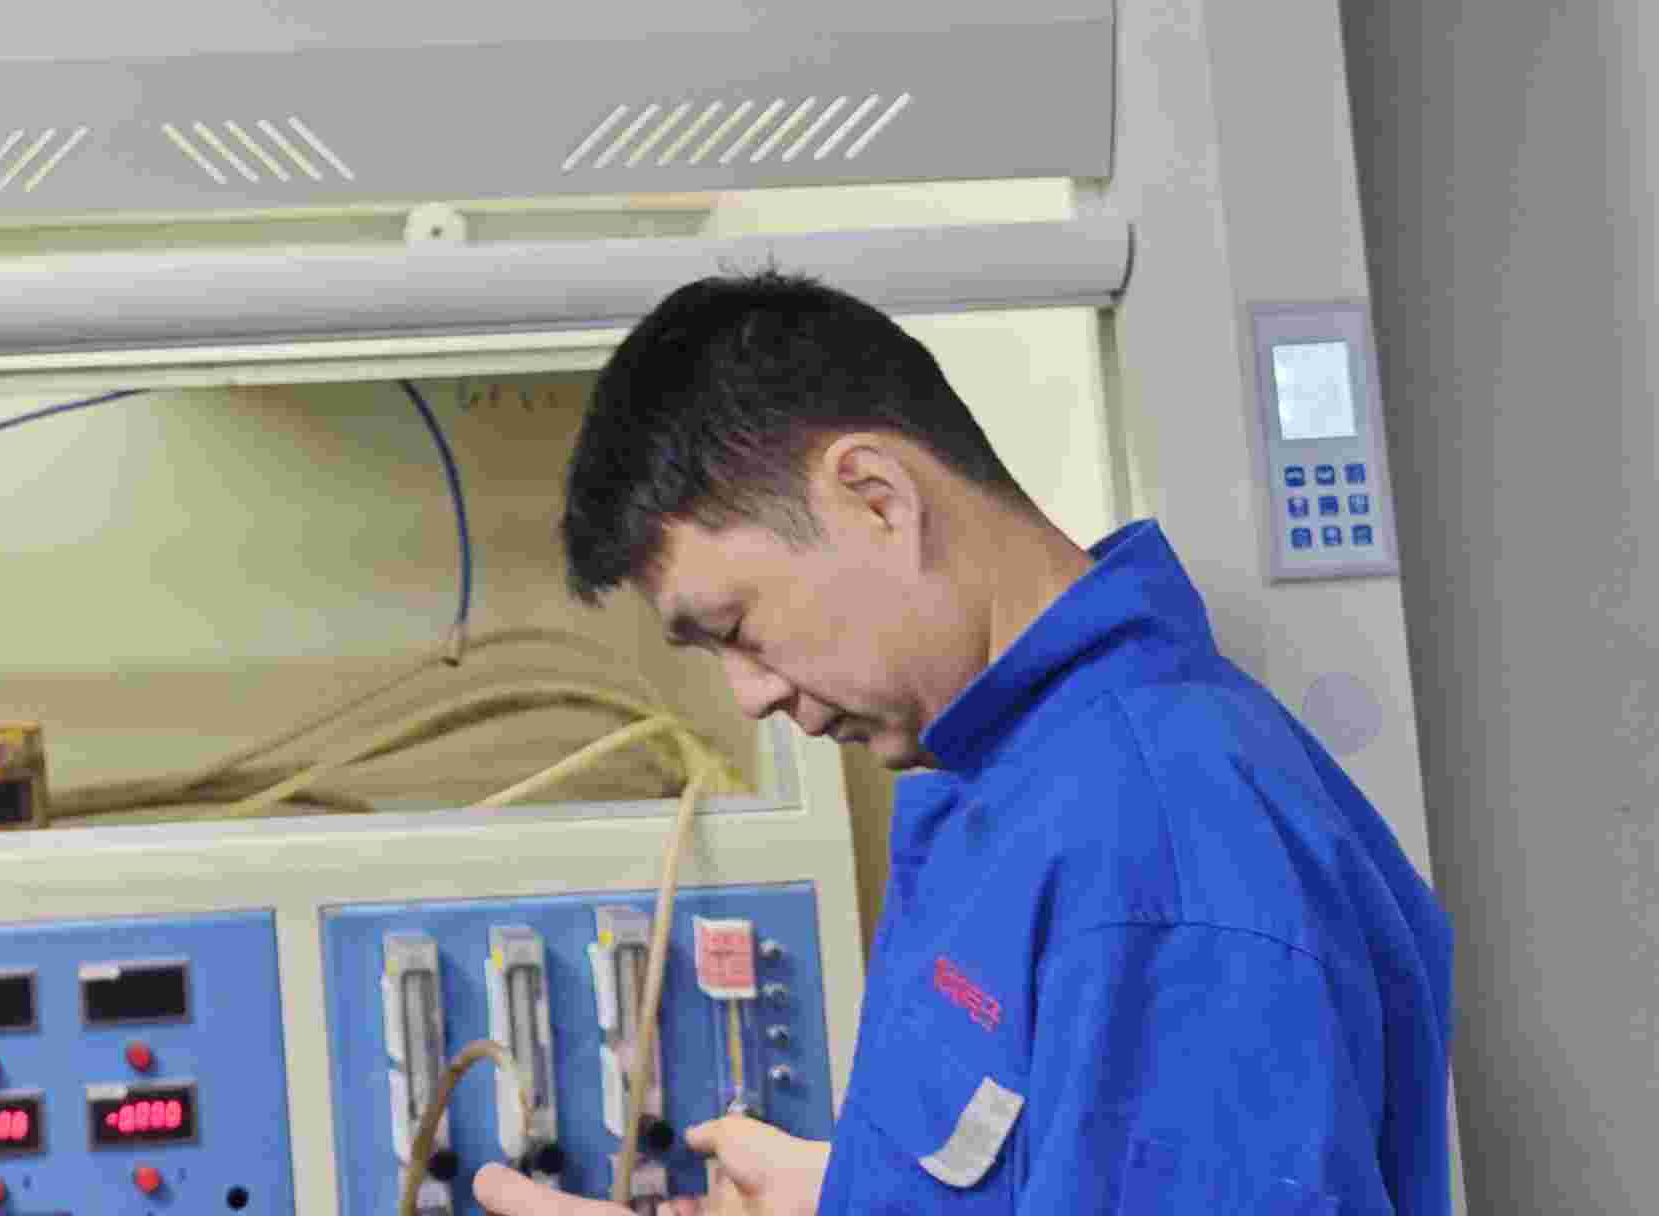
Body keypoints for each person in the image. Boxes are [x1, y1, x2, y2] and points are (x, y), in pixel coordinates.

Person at [473, 272, 1452, 1216]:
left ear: (877, 498)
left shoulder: (1156, 848)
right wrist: (853, 1195)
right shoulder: (1012, 781)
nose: (750, 693)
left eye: (735, 627)